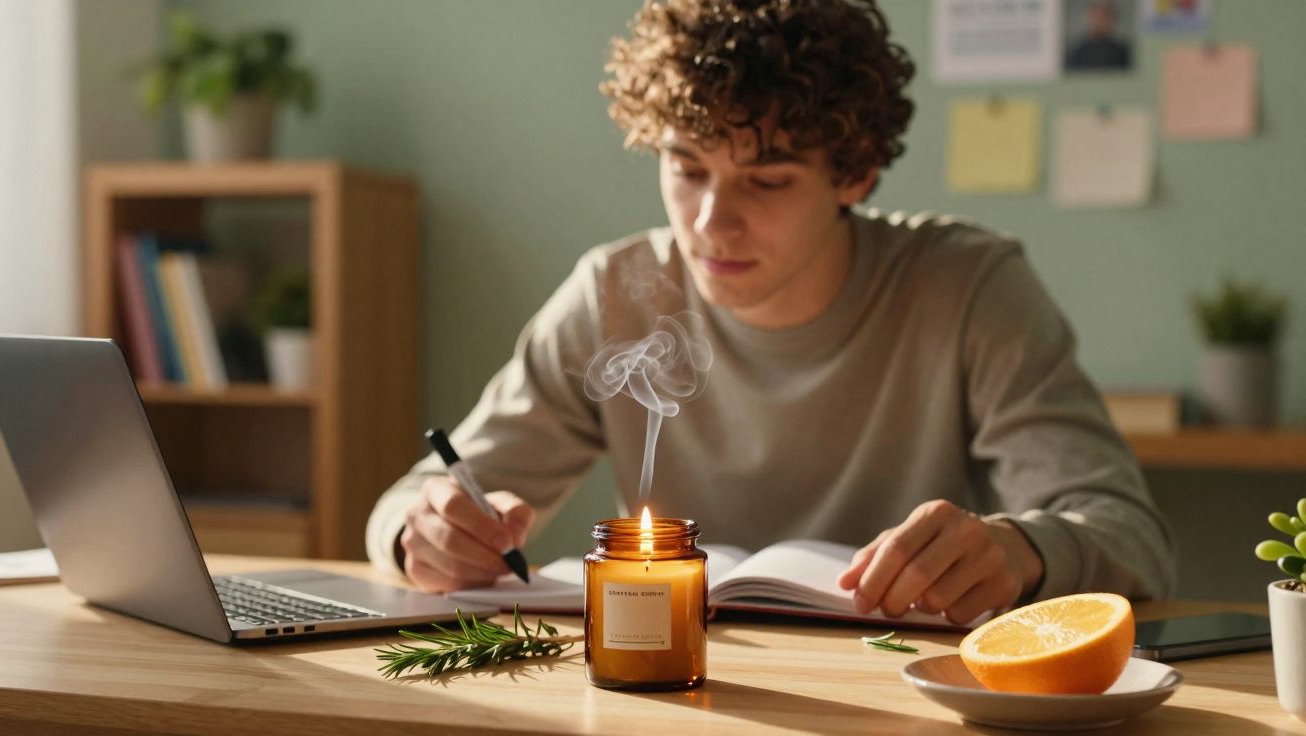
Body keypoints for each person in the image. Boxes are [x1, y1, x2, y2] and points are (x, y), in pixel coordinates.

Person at [366, 0, 1175, 625]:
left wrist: (1022, 550)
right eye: (686, 168)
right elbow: (416, 500)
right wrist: (421, 533)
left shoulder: (967, 287)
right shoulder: (615, 292)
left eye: (769, 180)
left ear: (854, 176)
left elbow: (1127, 534)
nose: (711, 223)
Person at [1066, 0, 1133, 70]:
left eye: (1104, 17)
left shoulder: (1121, 51)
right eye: (1096, 16)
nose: (1100, 21)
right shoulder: (1078, 52)